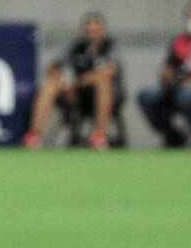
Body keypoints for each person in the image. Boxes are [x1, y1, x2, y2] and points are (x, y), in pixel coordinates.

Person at [22, 12, 123, 150]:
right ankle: (34, 135)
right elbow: (53, 67)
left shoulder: (111, 47)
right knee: (50, 84)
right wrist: (62, 80)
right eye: (89, 30)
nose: (92, 33)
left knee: (103, 82)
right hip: (76, 93)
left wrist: (78, 81)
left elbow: (109, 71)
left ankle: (99, 135)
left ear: (103, 30)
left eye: (96, 30)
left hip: (102, 94)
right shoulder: (76, 46)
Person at [137, 0, 191, 148]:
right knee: (147, 96)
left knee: (188, 97)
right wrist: (166, 75)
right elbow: (170, 67)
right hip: (179, 86)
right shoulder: (180, 41)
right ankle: (173, 136)